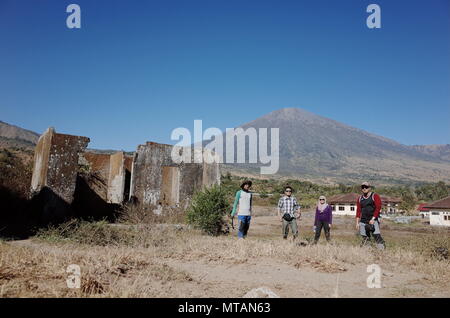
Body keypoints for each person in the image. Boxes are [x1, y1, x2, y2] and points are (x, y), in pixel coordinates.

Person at [356, 182, 385, 249]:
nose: (364, 188)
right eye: (362, 187)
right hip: (363, 221)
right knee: (365, 237)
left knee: (376, 235)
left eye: (366, 187)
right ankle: (367, 250)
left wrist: (373, 218)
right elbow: (358, 211)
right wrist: (357, 223)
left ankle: (381, 251)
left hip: (373, 220)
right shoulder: (360, 198)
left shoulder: (374, 196)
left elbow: (378, 208)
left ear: (369, 188)